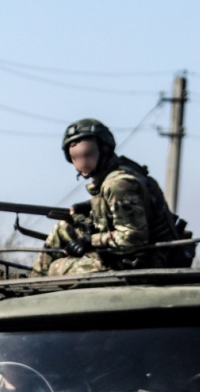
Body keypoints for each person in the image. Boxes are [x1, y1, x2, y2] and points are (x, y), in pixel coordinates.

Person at [31, 118, 187, 276]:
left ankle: (35, 280)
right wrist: (90, 205)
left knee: (55, 269)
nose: (82, 163)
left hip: (140, 264)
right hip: (133, 256)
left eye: (88, 154)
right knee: (66, 226)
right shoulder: (119, 172)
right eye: (75, 157)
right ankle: (35, 276)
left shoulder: (117, 184)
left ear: (104, 149)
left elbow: (133, 237)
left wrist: (89, 241)